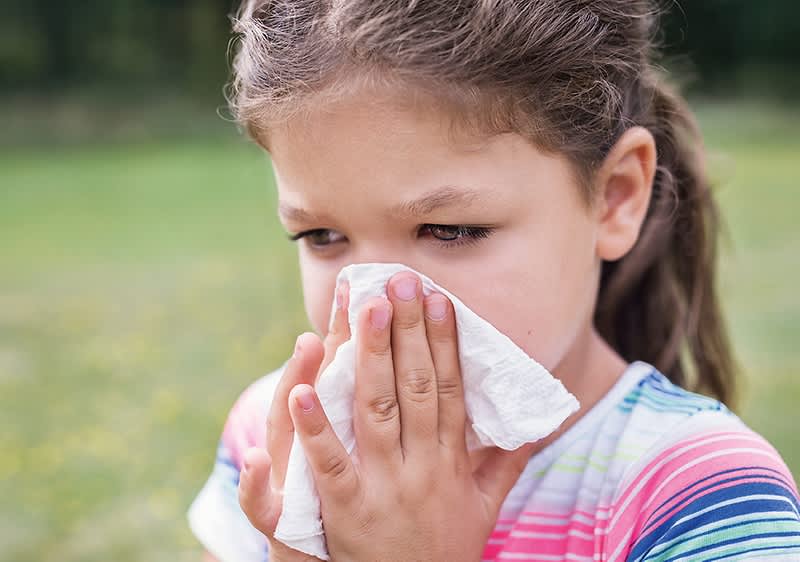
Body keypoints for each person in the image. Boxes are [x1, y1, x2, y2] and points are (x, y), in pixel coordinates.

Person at [188, 1, 800, 560]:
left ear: (614, 198)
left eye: (450, 230)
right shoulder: (277, 442)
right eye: (322, 237)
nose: (374, 305)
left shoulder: (698, 495)